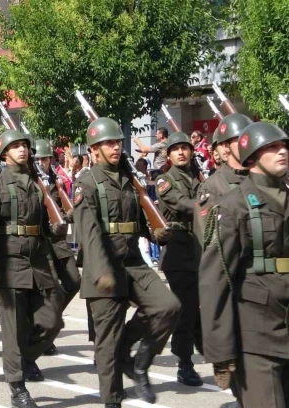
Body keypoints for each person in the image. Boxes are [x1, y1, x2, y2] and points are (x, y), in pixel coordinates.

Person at [74, 118, 180, 407]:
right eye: (108, 143)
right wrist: (101, 270)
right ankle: (112, 401)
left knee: (168, 306)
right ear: (94, 150)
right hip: (104, 266)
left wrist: (155, 232)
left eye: (118, 142)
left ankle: (137, 362)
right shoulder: (86, 182)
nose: (115, 147)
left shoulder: (129, 180)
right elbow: (89, 232)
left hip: (133, 262)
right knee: (106, 344)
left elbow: (137, 219)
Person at [201, 121, 289, 408]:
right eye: (272, 147)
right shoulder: (233, 206)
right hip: (255, 332)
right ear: (251, 155)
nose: (282, 151)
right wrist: (220, 351)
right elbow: (215, 280)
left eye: (284, 145)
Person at [0, 131, 65, 408]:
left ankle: (26, 358)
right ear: (4, 153)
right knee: (13, 329)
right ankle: (17, 386)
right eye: (15, 147)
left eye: (24, 146)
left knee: (52, 319)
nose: (22, 150)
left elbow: (41, 227)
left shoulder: (34, 184)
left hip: (37, 262)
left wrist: (54, 230)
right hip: (10, 263)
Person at [195, 113, 253, 407]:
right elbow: (209, 247)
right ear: (224, 148)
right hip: (235, 286)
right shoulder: (213, 187)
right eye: (237, 139)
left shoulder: (264, 181)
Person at [154, 132, 204, 387]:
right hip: (178, 251)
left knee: (201, 306)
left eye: (185, 148)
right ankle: (185, 363)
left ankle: (204, 345)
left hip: (200, 251)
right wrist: (206, 204)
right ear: (169, 154)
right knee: (186, 308)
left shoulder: (197, 178)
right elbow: (182, 204)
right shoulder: (164, 180)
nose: (181, 152)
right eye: (176, 149)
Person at [34, 139, 81, 356]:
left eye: (44, 159)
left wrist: (68, 214)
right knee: (50, 290)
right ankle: (45, 332)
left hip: (58, 242)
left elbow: (66, 212)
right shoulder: (31, 182)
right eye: (38, 159)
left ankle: (51, 316)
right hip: (42, 243)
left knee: (73, 281)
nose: (41, 162)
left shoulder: (57, 182)